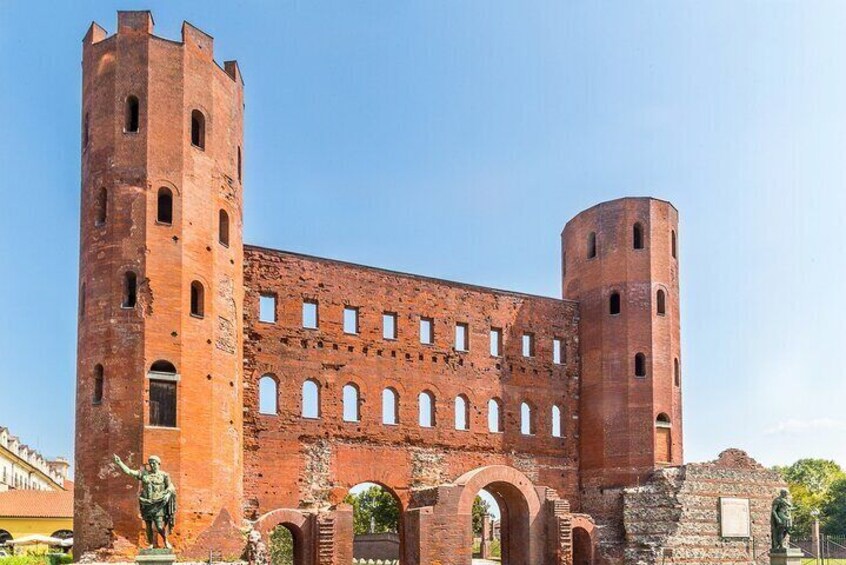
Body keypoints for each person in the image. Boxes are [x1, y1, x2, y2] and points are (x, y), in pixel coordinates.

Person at [114, 454, 177, 549]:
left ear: (159, 464)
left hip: (159, 503)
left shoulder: (164, 475)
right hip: (146, 503)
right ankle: (150, 543)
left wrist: (168, 495)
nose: (152, 465)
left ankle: (165, 540)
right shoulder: (144, 474)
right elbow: (129, 472)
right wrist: (120, 463)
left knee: (159, 526)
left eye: (154, 463)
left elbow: (171, 487)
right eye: (150, 463)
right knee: (148, 525)